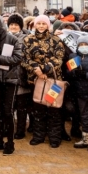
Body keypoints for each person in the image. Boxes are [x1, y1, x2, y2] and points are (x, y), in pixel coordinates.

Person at [21, 14, 66, 148]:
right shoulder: (28, 39)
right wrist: (36, 70)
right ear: (35, 25)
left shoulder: (56, 39)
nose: (41, 26)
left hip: (54, 80)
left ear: (48, 25)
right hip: (36, 81)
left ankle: (54, 137)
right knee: (38, 109)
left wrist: (46, 69)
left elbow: (59, 57)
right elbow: (24, 58)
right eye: (39, 23)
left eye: (44, 24)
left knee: (53, 109)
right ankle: (38, 135)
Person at [0, 14, 23, 155]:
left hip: (10, 80)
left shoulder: (12, 39)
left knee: (7, 111)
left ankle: (10, 142)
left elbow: (17, 58)